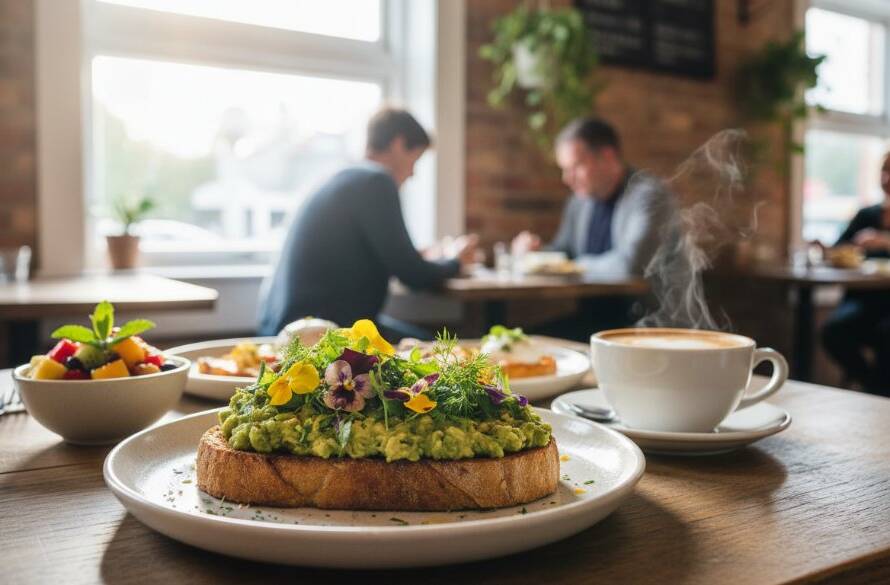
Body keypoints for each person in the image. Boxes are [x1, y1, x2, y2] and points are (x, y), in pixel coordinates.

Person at [258, 108, 477, 339]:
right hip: (317, 334)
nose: (413, 173)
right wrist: (456, 261)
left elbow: (386, 257)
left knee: (424, 345)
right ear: (398, 144)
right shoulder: (376, 181)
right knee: (437, 353)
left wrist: (423, 256)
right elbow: (413, 275)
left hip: (285, 327)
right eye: (415, 160)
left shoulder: (344, 178)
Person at [512, 117, 674, 335]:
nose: (567, 179)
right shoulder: (579, 202)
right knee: (520, 339)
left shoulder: (648, 195)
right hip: (593, 322)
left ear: (607, 157)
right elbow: (564, 251)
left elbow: (631, 264)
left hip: (644, 324)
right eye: (564, 169)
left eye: (575, 167)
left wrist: (574, 266)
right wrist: (536, 253)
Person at [820, 153, 890, 396]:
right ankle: (875, 389)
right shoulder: (866, 215)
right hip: (862, 299)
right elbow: (839, 250)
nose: (887, 178)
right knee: (833, 331)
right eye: (884, 171)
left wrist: (884, 242)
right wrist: (826, 250)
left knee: (886, 334)